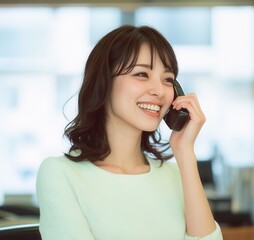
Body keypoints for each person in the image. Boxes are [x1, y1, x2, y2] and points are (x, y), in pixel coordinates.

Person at [36, 25, 223, 240]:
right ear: (104, 82)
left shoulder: (178, 175)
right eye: (142, 74)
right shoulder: (60, 173)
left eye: (168, 79)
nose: (159, 91)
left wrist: (185, 152)